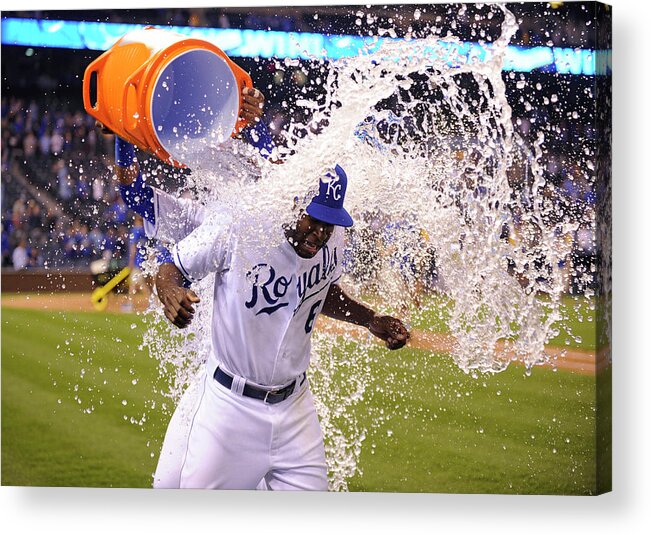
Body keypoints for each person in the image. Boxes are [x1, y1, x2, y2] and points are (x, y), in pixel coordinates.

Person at [102, 87, 410, 490]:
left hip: (290, 399)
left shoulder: (312, 226)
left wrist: (370, 320)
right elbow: (138, 199)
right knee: (167, 486)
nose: (321, 230)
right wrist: (126, 131)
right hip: (224, 385)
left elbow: (317, 285)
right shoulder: (217, 219)